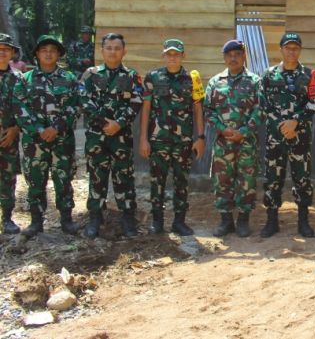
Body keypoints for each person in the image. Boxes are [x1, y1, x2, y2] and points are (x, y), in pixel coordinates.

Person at [13, 35, 80, 237]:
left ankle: (67, 221)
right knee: (35, 181)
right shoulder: (25, 80)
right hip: (35, 142)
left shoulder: (69, 79)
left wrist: (56, 128)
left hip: (62, 140)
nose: (48, 53)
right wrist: (39, 130)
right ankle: (36, 222)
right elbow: (19, 108)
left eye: (53, 49)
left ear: (59, 54)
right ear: (37, 55)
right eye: (44, 50)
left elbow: (75, 106)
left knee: (64, 179)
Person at [79, 33, 144, 238]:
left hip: (121, 137)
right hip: (96, 137)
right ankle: (95, 217)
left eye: (117, 48)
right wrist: (104, 123)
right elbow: (83, 100)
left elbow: (136, 102)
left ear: (124, 51)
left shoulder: (132, 76)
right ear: (102, 50)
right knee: (97, 176)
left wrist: (119, 124)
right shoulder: (90, 74)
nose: (113, 52)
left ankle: (127, 217)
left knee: (123, 177)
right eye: (109, 48)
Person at [138, 39, 206, 236]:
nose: (173, 57)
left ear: (183, 56)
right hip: (158, 140)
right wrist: (143, 138)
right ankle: (157, 222)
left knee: (181, 182)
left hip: (183, 142)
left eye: (177, 54)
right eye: (169, 54)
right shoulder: (153, 77)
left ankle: (179, 222)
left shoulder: (192, 79)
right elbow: (147, 107)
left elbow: (198, 108)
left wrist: (200, 137)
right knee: (156, 182)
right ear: (163, 55)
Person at [259, 32, 315, 239]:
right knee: (272, 179)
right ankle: (271, 221)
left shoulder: (309, 75)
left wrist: (295, 122)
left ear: (300, 50)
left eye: (295, 48)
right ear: (281, 49)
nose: (291, 51)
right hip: (275, 139)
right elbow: (262, 103)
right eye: (288, 47)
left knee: (302, 179)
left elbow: (314, 102)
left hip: (300, 138)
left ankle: (303, 221)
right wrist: (281, 125)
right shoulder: (268, 75)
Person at [205, 40, 263, 238]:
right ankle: (226, 220)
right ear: (224, 57)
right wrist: (221, 129)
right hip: (223, 143)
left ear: (244, 56)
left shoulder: (255, 81)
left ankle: (243, 220)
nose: (233, 58)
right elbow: (209, 110)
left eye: (237, 54)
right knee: (223, 181)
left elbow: (260, 110)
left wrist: (245, 131)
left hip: (246, 142)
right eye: (229, 54)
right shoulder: (215, 82)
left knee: (246, 181)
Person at [0, 34, 22, 234]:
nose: (2, 52)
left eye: (6, 49)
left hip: (8, 138)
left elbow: (27, 108)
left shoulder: (19, 79)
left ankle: (6, 218)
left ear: (13, 53)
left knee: (8, 179)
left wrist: (16, 129)